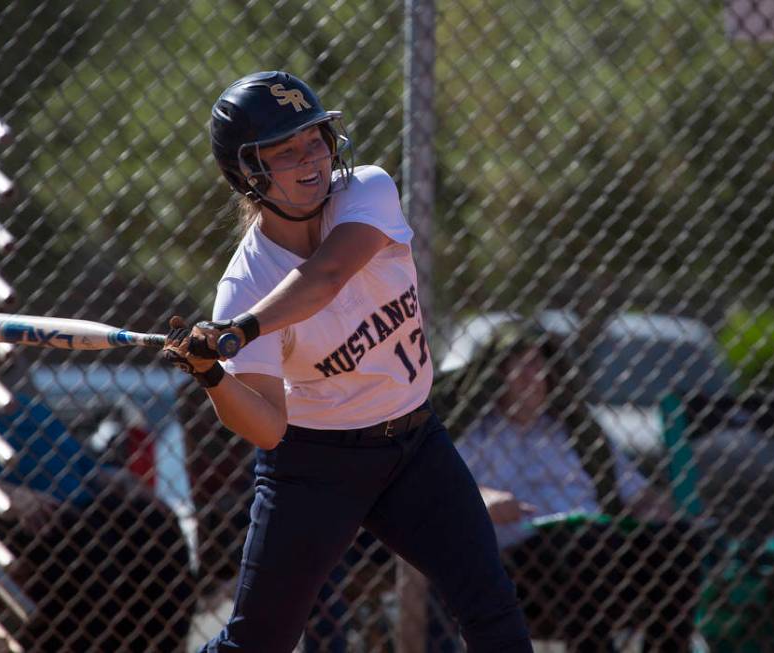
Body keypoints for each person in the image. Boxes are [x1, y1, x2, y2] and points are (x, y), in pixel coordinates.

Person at [161, 70, 533, 652]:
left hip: (414, 445)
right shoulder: (245, 282)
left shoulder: (367, 189)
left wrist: (241, 331)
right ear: (247, 172)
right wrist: (211, 372)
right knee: (258, 642)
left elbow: (328, 275)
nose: (310, 156)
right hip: (316, 464)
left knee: (490, 605)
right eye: (285, 150)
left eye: (314, 138)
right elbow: (266, 425)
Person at [447, 320, 700, 652]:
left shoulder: (574, 433)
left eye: (539, 365)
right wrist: (483, 499)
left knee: (678, 540)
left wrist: (659, 513)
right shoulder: (475, 434)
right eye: (519, 367)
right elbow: (442, 489)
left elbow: (637, 493)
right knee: (586, 545)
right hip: (519, 561)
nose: (532, 377)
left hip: (601, 550)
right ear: (496, 375)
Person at [0, 394, 196, 652]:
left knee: (156, 523)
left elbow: (83, 465)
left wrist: (118, 477)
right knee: (89, 545)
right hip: (20, 512)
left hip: (83, 501)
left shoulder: (29, 406)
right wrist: (6, 493)